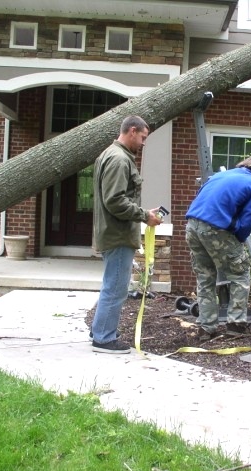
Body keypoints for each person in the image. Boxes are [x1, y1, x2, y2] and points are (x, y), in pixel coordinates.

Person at [91, 115, 163, 354]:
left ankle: (99, 328)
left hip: (112, 232)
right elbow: (115, 201)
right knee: (116, 287)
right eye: (143, 137)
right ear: (132, 131)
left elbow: (115, 198)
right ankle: (103, 339)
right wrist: (145, 215)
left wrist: (144, 214)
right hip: (118, 234)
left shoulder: (109, 154)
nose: (143, 143)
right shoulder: (119, 159)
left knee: (111, 284)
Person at [185, 156, 251, 341]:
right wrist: (237, 235)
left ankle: (206, 328)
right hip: (215, 228)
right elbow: (247, 222)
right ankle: (236, 325)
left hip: (192, 226)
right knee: (240, 273)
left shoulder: (219, 177)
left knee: (205, 277)